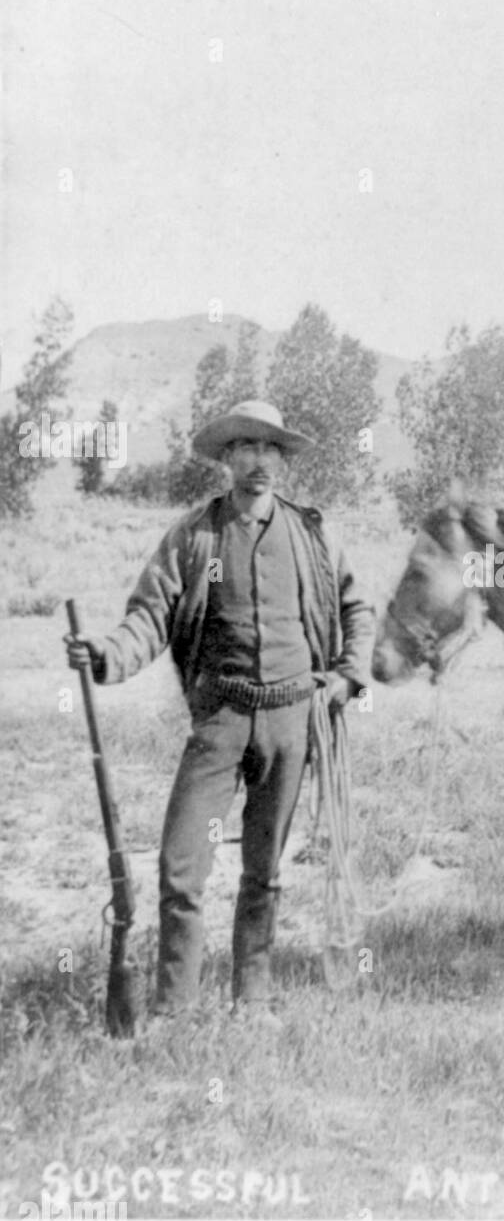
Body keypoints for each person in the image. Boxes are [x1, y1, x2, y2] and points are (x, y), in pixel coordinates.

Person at [65, 400, 375, 1028]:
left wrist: (347, 676)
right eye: (245, 449)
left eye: (270, 450)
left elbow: (356, 610)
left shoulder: (314, 535)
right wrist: (104, 654)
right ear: (226, 459)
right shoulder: (194, 536)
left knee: (265, 869)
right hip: (221, 721)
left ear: (282, 461)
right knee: (181, 867)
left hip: (294, 724)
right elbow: (149, 618)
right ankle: (175, 1008)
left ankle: (252, 999)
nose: (258, 463)